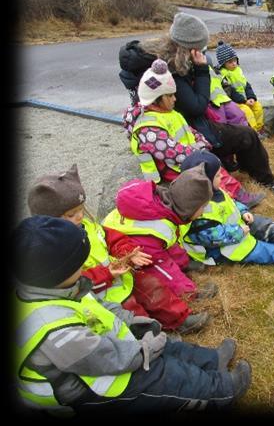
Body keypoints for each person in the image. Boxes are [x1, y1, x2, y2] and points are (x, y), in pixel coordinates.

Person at [12, 215, 251, 415]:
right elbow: (104, 358)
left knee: (164, 345)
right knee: (162, 375)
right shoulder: (51, 327)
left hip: (104, 352)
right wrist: (144, 350)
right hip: (90, 389)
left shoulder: (60, 288)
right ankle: (222, 390)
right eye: (79, 260)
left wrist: (133, 323)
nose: (85, 264)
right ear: (60, 270)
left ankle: (212, 360)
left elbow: (98, 307)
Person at [118, 12, 274, 198]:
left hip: (182, 126)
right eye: (201, 48)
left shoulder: (158, 61)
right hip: (188, 133)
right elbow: (196, 106)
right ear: (190, 48)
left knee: (238, 132)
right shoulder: (172, 70)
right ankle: (267, 181)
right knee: (246, 135)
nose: (203, 53)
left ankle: (242, 168)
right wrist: (201, 69)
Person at [26, 163, 200, 333]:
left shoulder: (87, 225)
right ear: (49, 219)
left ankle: (180, 320)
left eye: (81, 209)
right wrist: (107, 273)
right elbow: (73, 282)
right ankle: (156, 339)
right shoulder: (51, 251)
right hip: (102, 295)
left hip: (121, 276)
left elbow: (111, 237)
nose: (80, 216)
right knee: (134, 315)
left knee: (153, 287)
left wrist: (127, 253)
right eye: (71, 215)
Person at [124, 58, 264, 209]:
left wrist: (201, 142)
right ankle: (235, 199)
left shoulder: (166, 112)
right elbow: (170, 152)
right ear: (156, 99)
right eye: (170, 95)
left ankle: (235, 196)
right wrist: (199, 152)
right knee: (210, 171)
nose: (175, 99)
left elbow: (188, 130)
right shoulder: (148, 128)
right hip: (173, 168)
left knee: (213, 167)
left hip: (187, 157)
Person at [102, 164, 219, 334]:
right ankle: (181, 311)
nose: (202, 213)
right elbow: (162, 268)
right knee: (153, 281)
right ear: (188, 207)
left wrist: (184, 262)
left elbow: (169, 244)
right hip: (127, 252)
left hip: (144, 244)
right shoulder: (156, 230)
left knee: (166, 250)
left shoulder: (164, 208)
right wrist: (189, 290)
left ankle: (183, 264)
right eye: (202, 208)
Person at [179, 150, 274, 267]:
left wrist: (243, 211)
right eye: (217, 175)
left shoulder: (215, 191)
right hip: (219, 249)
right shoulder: (197, 208)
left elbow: (231, 203)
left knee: (257, 222)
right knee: (259, 250)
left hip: (234, 228)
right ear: (204, 181)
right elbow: (213, 238)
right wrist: (239, 231)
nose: (221, 176)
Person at [216, 40, 269, 140]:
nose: (234, 64)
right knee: (247, 111)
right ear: (223, 64)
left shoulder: (238, 71)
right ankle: (253, 133)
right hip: (235, 101)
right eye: (230, 62)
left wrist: (251, 97)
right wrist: (244, 101)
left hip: (245, 99)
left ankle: (259, 129)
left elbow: (246, 85)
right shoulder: (222, 75)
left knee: (257, 106)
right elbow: (230, 91)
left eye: (235, 60)